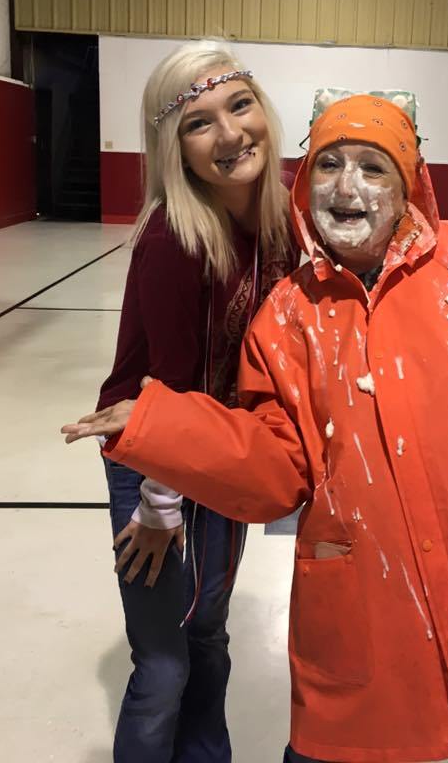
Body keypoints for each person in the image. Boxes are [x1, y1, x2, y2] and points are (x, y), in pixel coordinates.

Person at [63, 92, 448, 763]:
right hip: (374, 604)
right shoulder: (287, 317)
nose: (348, 185)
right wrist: (165, 428)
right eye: (329, 164)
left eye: (373, 166)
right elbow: (278, 471)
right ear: (304, 185)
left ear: (411, 183)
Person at [92, 40, 297, 763]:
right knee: (165, 662)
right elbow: (167, 388)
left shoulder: (281, 224)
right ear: (172, 148)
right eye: (199, 122)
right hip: (153, 452)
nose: (231, 132)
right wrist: (157, 506)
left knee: (208, 635)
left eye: (239, 105)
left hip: (222, 447)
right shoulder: (176, 238)